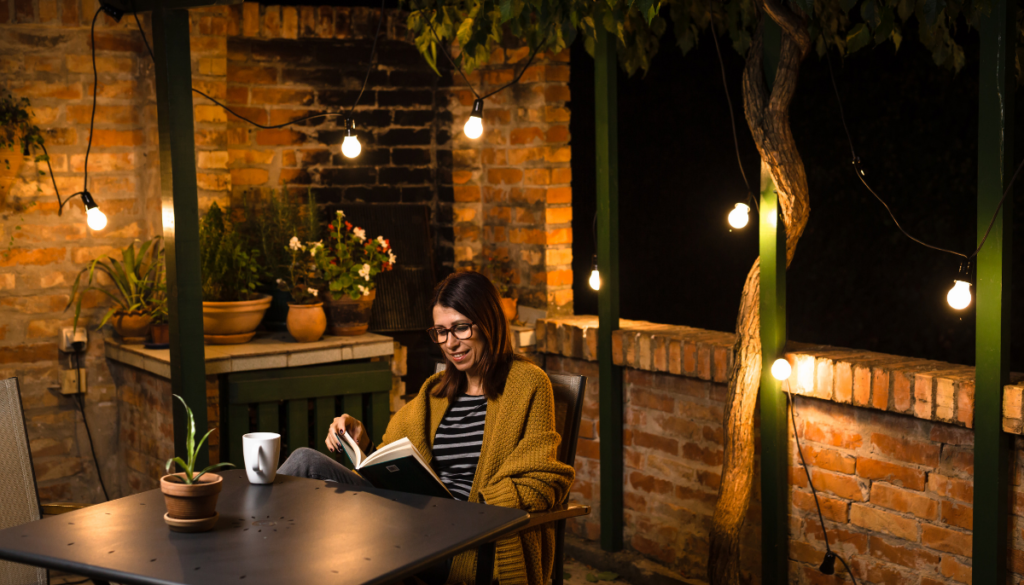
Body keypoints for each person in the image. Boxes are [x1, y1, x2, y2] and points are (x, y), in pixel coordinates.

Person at [278, 271, 574, 585]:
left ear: (488, 323)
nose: (450, 343)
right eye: (441, 331)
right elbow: (392, 464)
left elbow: (546, 478)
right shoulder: (434, 392)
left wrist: (478, 509)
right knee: (304, 461)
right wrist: (360, 444)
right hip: (406, 520)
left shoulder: (527, 384)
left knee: (332, 551)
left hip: (461, 542)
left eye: (461, 327)